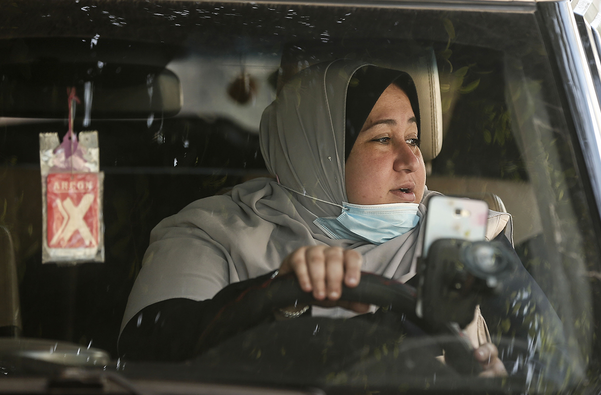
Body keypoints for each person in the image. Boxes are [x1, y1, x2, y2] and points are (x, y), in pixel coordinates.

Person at [118, 59, 511, 376]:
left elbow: (546, 364)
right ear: (315, 155)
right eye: (381, 138)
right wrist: (277, 292)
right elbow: (147, 352)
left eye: (412, 139)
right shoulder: (215, 232)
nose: (411, 161)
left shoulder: (461, 233)